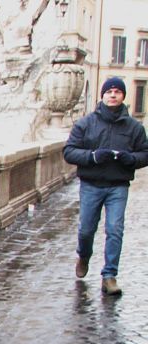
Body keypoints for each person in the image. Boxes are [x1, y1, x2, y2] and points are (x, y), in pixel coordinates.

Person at [63, 76, 148, 295]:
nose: (112, 95)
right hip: (91, 184)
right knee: (86, 230)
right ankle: (83, 255)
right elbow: (69, 151)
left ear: (123, 96)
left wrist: (132, 159)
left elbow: (145, 154)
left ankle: (109, 276)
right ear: (102, 95)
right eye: (109, 91)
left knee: (115, 230)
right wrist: (92, 156)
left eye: (117, 92)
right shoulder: (86, 123)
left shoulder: (134, 127)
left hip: (118, 186)